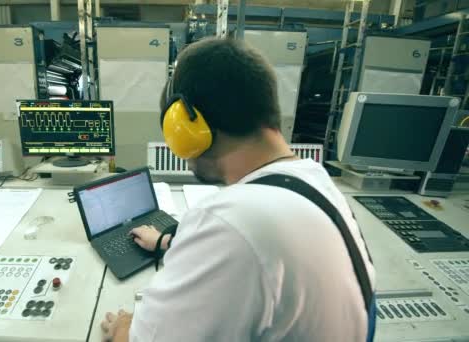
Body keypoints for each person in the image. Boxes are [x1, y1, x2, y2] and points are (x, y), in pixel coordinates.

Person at [100, 37, 375, 342]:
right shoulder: (314, 178)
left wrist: (123, 328)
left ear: (184, 123)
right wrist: (167, 240)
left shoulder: (228, 221)